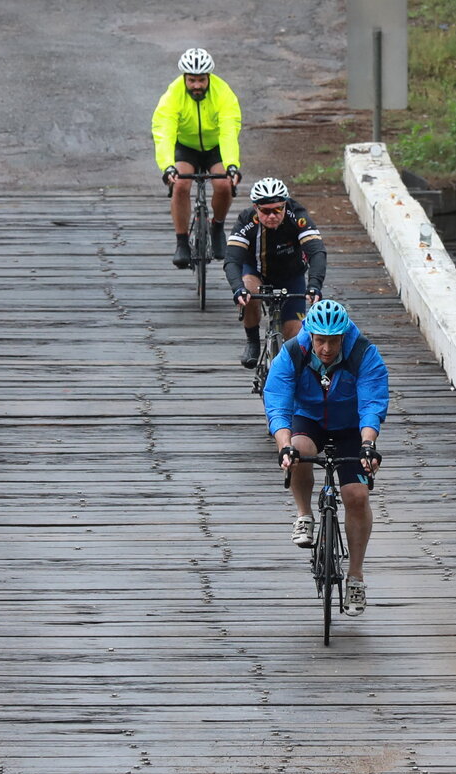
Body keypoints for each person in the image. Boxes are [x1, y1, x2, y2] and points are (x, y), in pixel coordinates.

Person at [262, 298, 386, 612]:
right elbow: (278, 402)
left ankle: (355, 578)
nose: (327, 349)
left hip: (350, 426)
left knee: (356, 496)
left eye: (333, 341)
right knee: (300, 452)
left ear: (344, 336)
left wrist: (368, 444)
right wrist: (284, 446)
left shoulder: (363, 354)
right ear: (310, 335)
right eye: (320, 341)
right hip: (309, 419)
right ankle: (305, 514)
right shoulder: (293, 352)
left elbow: (372, 403)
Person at [150, 47, 242, 267]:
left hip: (215, 145)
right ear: (184, 78)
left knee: (223, 185)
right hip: (186, 146)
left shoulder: (223, 93)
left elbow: (229, 131)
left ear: (209, 77)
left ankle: (217, 227)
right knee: (181, 184)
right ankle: (182, 242)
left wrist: (231, 165)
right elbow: (164, 130)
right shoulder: (173, 94)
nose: (197, 85)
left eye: (201, 80)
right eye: (192, 80)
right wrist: (168, 167)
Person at [224, 177, 327, 368]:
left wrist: (315, 285)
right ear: (256, 208)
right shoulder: (246, 220)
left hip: (291, 275)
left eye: (278, 209)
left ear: (285, 205)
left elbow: (317, 252)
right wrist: (238, 288)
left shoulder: (297, 215)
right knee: (248, 291)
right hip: (256, 272)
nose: (272, 215)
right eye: (265, 211)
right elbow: (232, 260)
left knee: (295, 335)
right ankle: (252, 341)